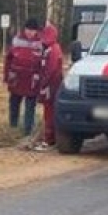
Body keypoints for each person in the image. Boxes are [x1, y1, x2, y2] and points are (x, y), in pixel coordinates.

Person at [4, 18, 44, 137]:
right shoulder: (17, 40)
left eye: (32, 30)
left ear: (36, 31)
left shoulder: (41, 43)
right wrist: (6, 75)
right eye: (28, 29)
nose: (30, 32)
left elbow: (43, 63)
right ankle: (13, 126)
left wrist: (41, 79)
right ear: (24, 29)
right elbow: (8, 59)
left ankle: (28, 131)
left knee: (30, 106)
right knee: (14, 103)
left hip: (32, 81)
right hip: (16, 79)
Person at [34, 23, 65, 152]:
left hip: (51, 86)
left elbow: (50, 70)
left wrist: (43, 84)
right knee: (50, 111)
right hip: (53, 85)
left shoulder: (52, 50)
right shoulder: (53, 49)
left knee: (49, 112)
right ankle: (51, 137)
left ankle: (49, 139)